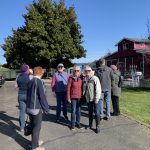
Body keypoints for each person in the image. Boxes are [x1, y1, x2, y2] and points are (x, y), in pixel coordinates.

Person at [26, 66, 49, 150]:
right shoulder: (38, 81)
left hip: (29, 107)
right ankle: (35, 147)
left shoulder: (30, 81)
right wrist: (46, 108)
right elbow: (42, 96)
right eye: (42, 72)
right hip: (36, 108)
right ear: (40, 73)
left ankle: (35, 141)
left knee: (33, 126)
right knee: (37, 127)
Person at [82, 66, 101, 133]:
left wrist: (97, 98)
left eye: (89, 71)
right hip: (88, 99)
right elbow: (84, 89)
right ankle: (90, 124)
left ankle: (97, 126)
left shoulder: (95, 78)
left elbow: (98, 89)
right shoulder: (85, 79)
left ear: (91, 71)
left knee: (97, 112)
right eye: (86, 71)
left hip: (95, 99)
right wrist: (83, 95)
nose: (87, 72)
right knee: (90, 112)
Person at [67, 66, 83, 130]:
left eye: (77, 70)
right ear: (73, 71)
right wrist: (68, 97)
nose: (76, 72)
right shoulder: (71, 78)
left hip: (79, 97)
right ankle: (72, 124)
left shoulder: (81, 78)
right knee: (73, 111)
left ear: (79, 71)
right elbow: (68, 88)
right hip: (73, 97)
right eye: (75, 70)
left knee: (78, 111)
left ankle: (78, 123)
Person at [16, 64, 31, 132]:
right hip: (28, 95)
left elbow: (16, 86)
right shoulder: (30, 76)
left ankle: (22, 127)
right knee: (30, 110)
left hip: (20, 95)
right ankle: (31, 124)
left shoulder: (18, 76)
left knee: (22, 111)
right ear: (27, 70)